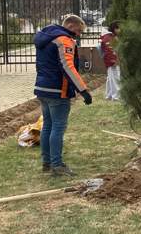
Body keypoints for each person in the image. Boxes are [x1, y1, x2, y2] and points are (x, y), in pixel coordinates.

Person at [33, 14, 93, 177]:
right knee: (58, 127)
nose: (79, 34)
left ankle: (47, 162)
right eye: (79, 31)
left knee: (47, 126)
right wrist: (83, 90)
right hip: (58, 90)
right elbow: (68, 67)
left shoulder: (45, 38)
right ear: (71, 26)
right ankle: (57, 165)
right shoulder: (64, 40)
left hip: (42, 88)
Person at [100, 21, 121, 101]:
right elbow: (109, 51)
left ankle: (109, 95)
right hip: (113, 61)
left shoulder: (109, 36)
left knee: (111, 78)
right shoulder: (109, 37)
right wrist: (114, 61)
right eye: (119, 28)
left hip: (111, 61)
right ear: (115, 29)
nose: (121, 30)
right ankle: (116, 97)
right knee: (115, 78)